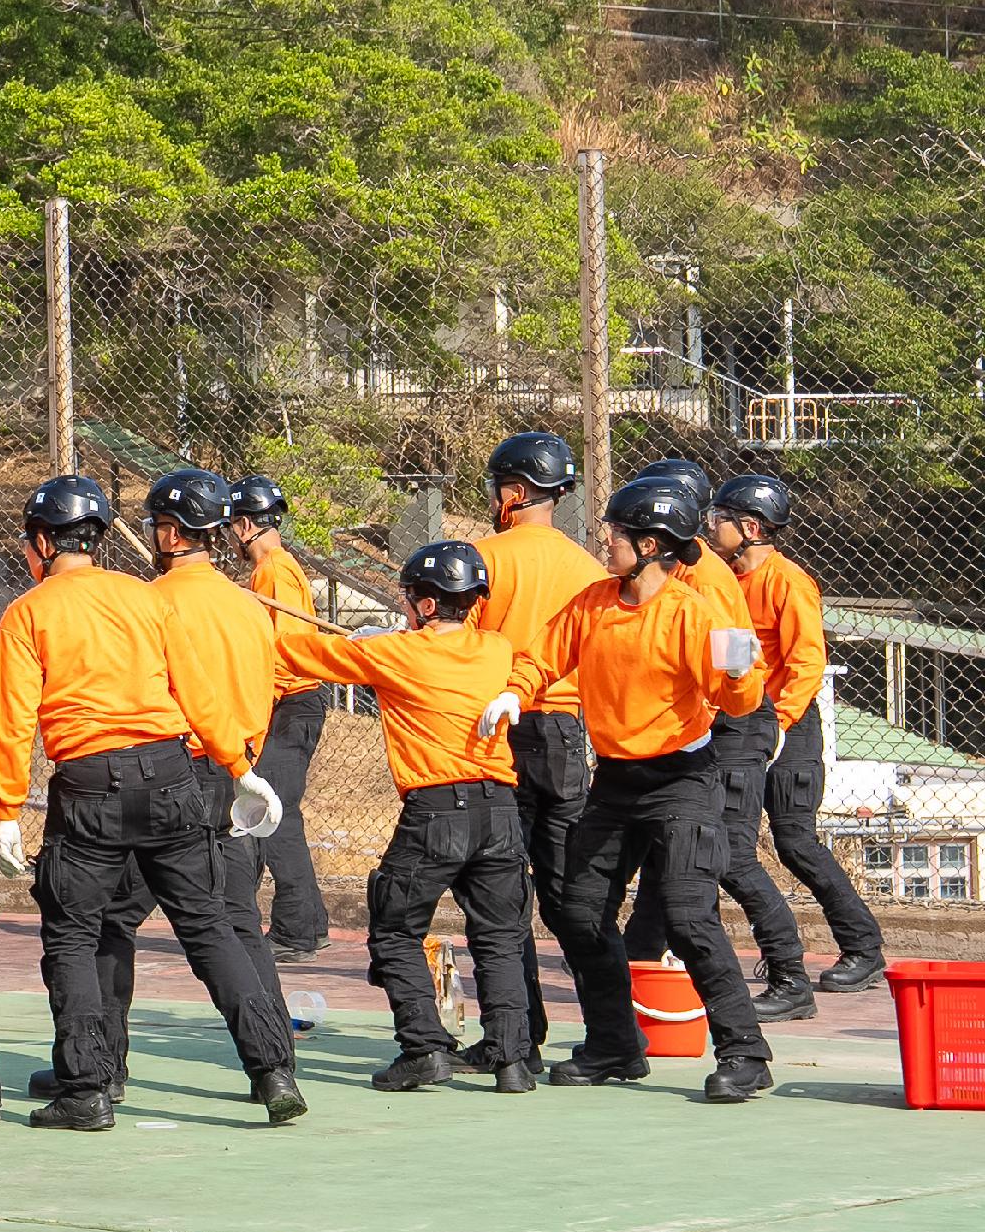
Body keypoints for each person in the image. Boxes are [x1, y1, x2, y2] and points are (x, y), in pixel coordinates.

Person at [0, 475, 303, 1133]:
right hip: (170, 772)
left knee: (75, 936)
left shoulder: (29, 612)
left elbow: (13, 720)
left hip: (89, 783)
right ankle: (272, 1070)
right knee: (210, 927)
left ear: (44, 541)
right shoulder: (143, 597)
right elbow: (195, 690)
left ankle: (88, 1087)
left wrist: (6, 809)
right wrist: (240, 766)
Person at [500, 473, 776, 1100]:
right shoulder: (595, 602)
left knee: (687, 916)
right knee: (577, 909)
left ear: (651, 545)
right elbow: (541, 658)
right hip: (615, 782)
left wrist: (738, 671)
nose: (608, 541)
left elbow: (737, 698)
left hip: (682, 781)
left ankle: (746, 1053)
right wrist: (515, 695)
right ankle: (615, 1044)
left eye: (619, 533)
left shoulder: (690, 614)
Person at [274, 540, 536, 1092]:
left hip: (438, 811)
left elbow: (300, 653)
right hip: (500, 810)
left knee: (395, 929)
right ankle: (511, 1057)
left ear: (429, 604)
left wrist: (370, 642)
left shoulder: (397, 654)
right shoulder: (495, 648)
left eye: (412, 599)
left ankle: (424, 1047)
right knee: (501, 935)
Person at [610, 459, 806, 1017]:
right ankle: (638, 959)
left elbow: (736, 655)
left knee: (729, 854)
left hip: (736, 723)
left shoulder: (702, 580)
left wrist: (752, 717)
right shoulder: (674, 577)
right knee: (666, 851)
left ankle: (790, 973)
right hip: (708, 728)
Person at [142, 469, 295, 1058]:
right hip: (239, 771)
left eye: (158, 526)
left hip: (175, 770)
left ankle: (99, 1068)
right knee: (235, 915)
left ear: (174, 535)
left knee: (106, 915)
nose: (155, 536)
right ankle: (275, 1047)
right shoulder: (249, 605)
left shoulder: (152, 603)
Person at [714, 470, 885, 994]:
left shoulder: (786, 581)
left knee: (794, 840)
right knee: (729, 842)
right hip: (743, 723)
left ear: (750, 526)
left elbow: (808, 660)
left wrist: (781, 722)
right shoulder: (729, 581)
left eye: (719, 520)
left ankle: (863, 947)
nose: (711, 527)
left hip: (787, 726)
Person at [473, 430, 604, 1060]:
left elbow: (455, 643)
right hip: (566, 731)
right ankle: (610, 1030)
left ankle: (518, 1031)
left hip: (501, 725)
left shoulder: (484, 558)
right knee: (567, 886)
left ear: (517, 491)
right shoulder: (591, 568)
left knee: (501, 883)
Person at [224, 474, 336, 959]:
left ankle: (295, 930)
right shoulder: (275, 568)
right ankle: (309, 924)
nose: (229, 535)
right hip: (293, 704)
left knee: (275, 815)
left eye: (232, 526)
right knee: (278, 812)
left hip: (290, 703)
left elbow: (284, 649)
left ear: (246, 524)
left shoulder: (272, 570)